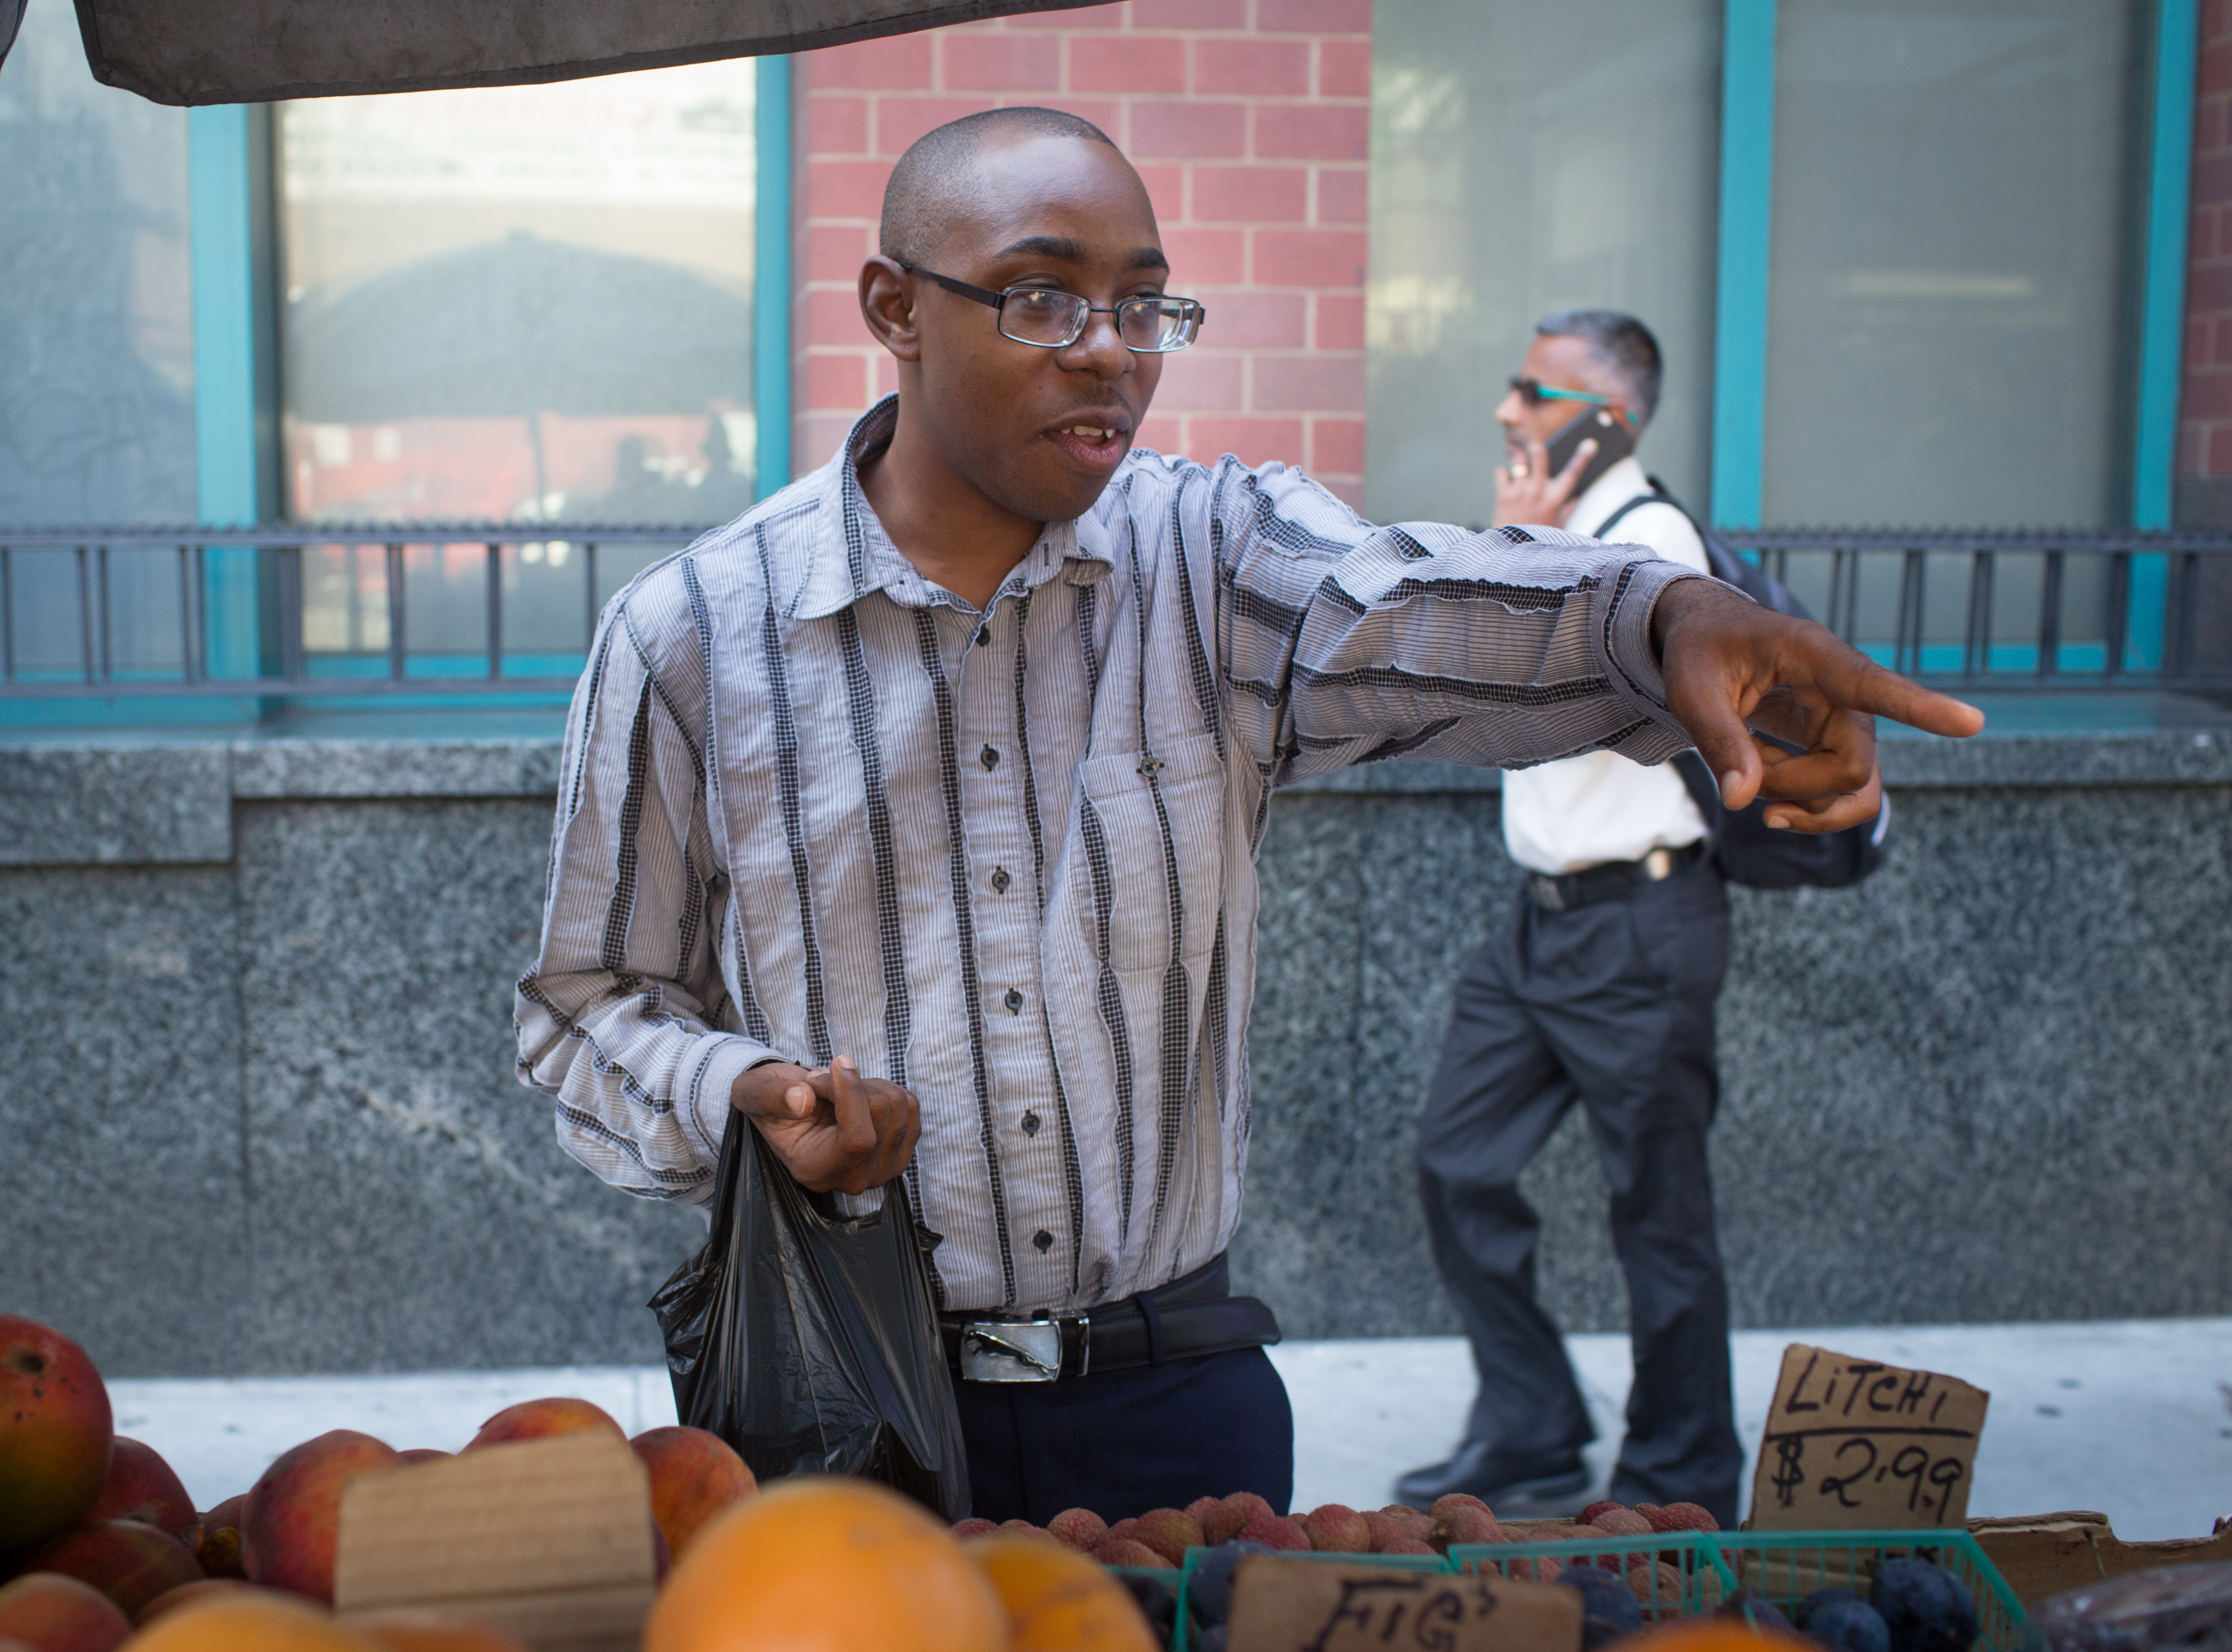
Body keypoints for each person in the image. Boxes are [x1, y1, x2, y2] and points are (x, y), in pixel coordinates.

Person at [514, 110, 1979, 1527]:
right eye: (1039, 297)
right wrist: (747, 1101)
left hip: (1176, 1411)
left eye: (1144, 307)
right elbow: (585, 1007)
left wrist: (1668, 619)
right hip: (831, 1410)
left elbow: (1421, 605)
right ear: (893, 306)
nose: (1106, 349)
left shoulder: (1214, 558)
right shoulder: (692, 635)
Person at [1394, 310, 1749, 1525]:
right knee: (1455, 1161)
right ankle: (1533, 1421)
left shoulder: (1652, 545)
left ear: (1610, 417)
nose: (1506, 412)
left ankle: (1683, 1476)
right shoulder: (1562, 534)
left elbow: (1603, 688)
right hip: (1538, 927)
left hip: (1640, 925)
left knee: (1658, 1211)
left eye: (1532, 391)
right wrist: (1522, 556)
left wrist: (1524, 564)